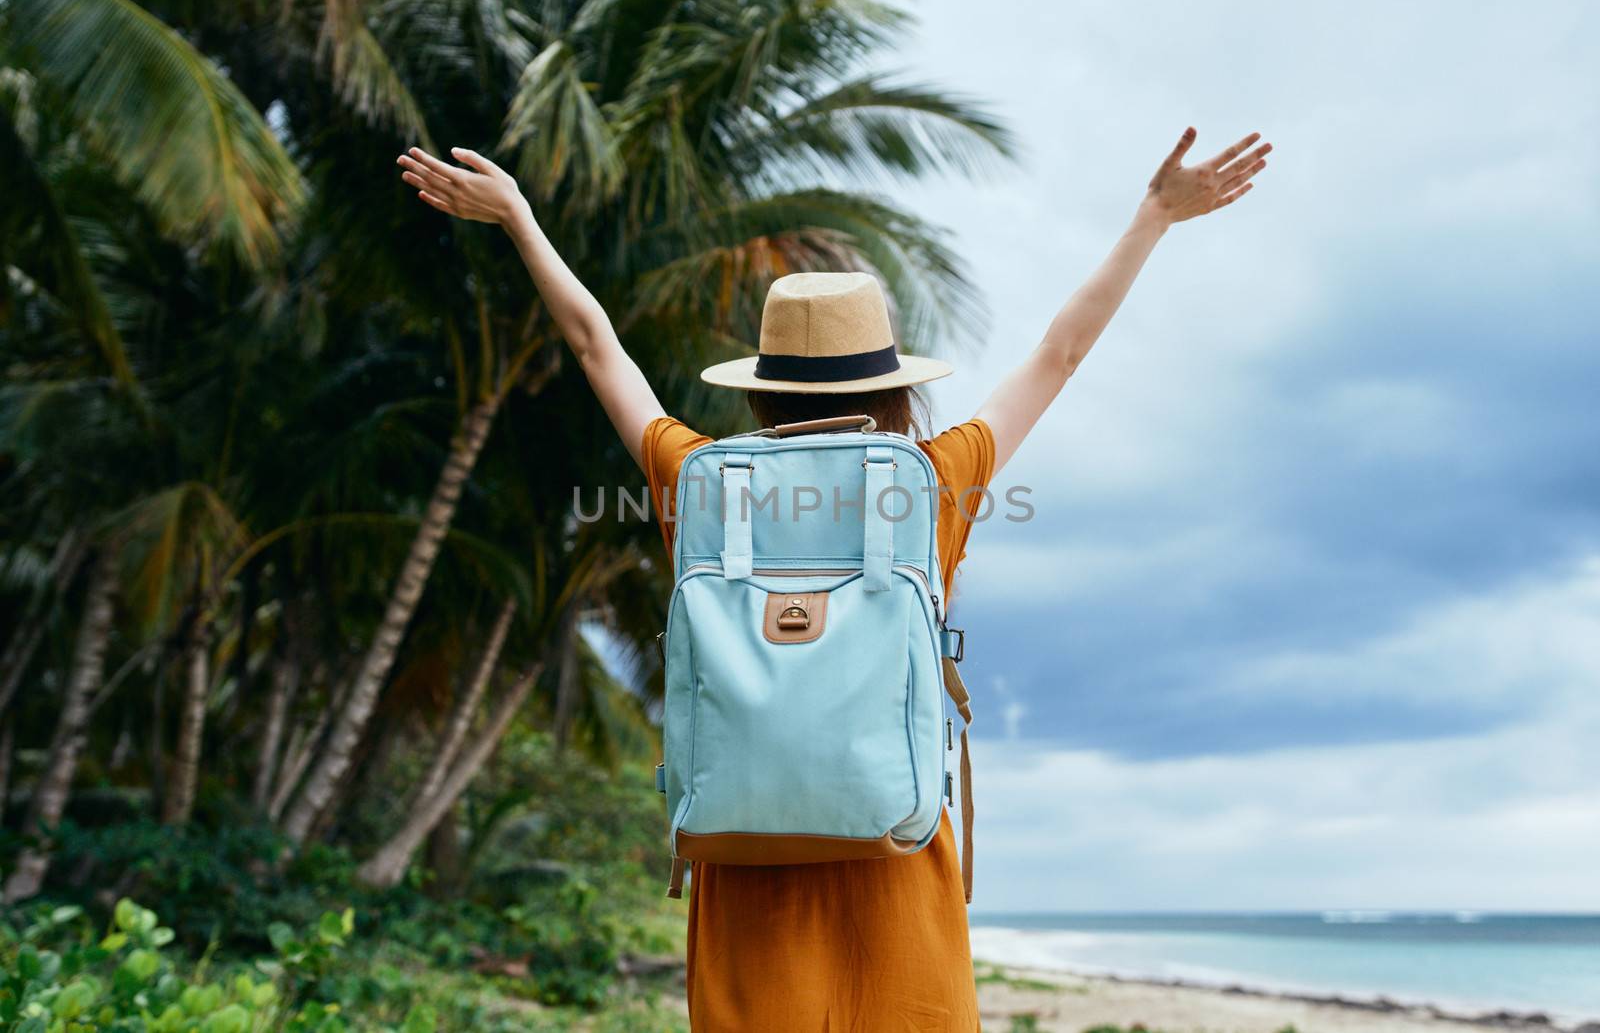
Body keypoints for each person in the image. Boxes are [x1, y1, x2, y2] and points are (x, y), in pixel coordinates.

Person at [397, 124, 1270, 1030]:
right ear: (892, 387)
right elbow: (1060, 355)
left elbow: (595, 347)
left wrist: (521, 221)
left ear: (761, 389)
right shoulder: (930, 480)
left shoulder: (702, 484)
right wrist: (1154, 218)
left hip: (745, 870)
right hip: (895, 874)